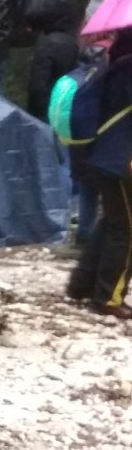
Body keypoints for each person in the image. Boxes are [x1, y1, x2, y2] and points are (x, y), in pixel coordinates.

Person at [67, 29, 132, 319]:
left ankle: (82, 284)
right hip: (123, 160)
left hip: (105, 156)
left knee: (112, 222)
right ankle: (108, 296)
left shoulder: (115, 62)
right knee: (126, 230)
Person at [25, 0, 82, 122]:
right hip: (65, 112)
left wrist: (34, 114)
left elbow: (38, 85)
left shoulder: (48, 44)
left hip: (46, 113)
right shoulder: (74, 43)